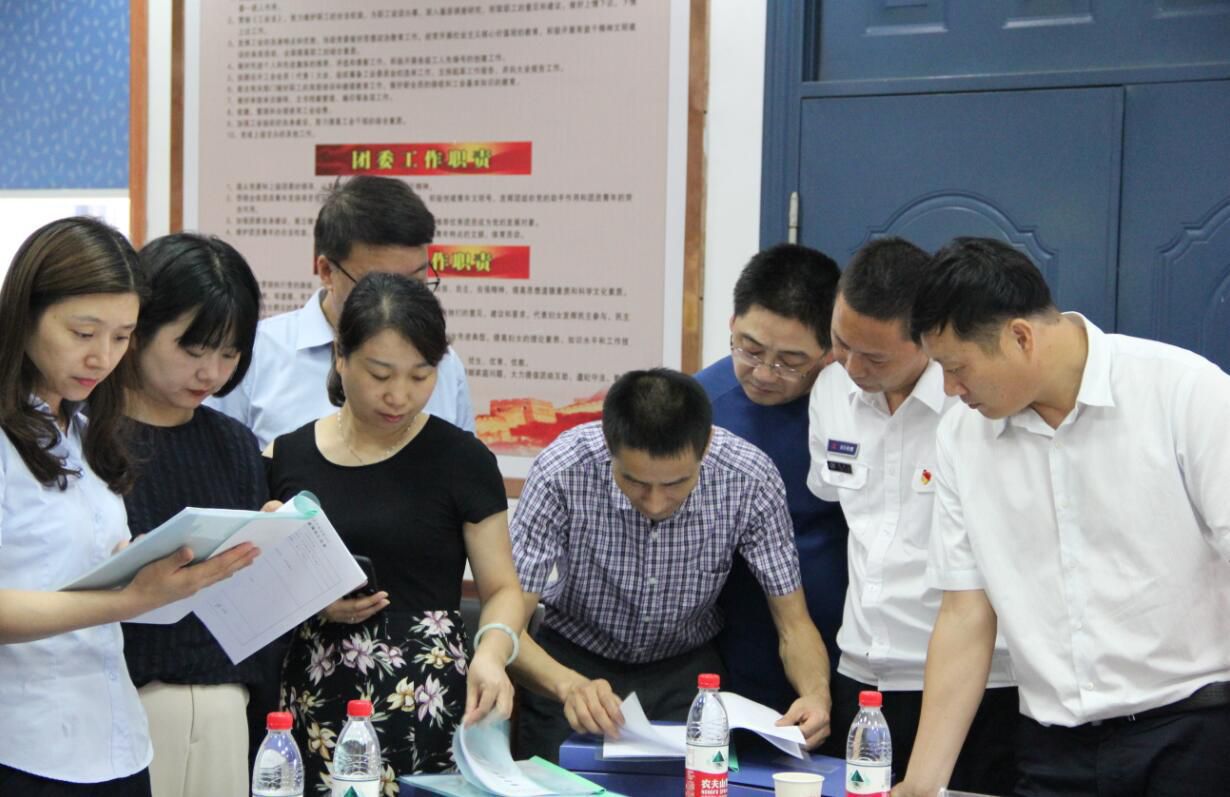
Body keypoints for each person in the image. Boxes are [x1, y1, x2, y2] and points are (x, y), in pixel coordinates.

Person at [894, 237, 1230, 797]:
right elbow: (965, 614)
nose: (950, 390)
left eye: (956, 368)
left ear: (1020, 337)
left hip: (1190, 732)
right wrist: (921, 784)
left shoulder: (1185, 393)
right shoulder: (960, 437)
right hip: (1053, 748)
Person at [0, 217, 258, 795]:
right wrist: (128, 597)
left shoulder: (84, 432)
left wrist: (153, 571)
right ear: (24, 313)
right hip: (24, 743)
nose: (102, 357)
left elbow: (71, 573)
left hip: (114, 740)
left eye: (121, 337)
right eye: (83, 332)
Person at [265, 272, 524, 790]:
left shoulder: (462, 460)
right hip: (319, 694)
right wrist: (309, 600)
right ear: (341, 356)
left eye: (421, 376)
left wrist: (493, 655)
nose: (399, 396)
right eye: (380, 374)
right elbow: (257, 592)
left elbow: (502, 590)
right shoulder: (286, 457)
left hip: (432, 697)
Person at [509, 368, 832, 762]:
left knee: (698, 783)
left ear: (705, 445)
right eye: (636, 482)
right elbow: (506, 627)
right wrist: (567, 685)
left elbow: (794, 625)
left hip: (686, 672)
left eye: (676, 483)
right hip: (572, 662)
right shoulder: (562, 471)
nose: (656, 502)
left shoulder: (748, 479)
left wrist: (815, 694)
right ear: (610, 445)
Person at [806, 238, 1017, 791]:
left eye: (874, 357)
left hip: (976, 689)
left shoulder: (977, 406)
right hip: (860, 676)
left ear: (926, 339)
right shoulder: (829, 392)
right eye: (841, 343)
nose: (852, 366)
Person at [119, 232, 270, 797]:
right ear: (138, 329)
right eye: (193, 349)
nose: (211, 373)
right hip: (121, 699)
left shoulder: (235, 444)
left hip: (226, 703)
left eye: (229, 354)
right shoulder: (86, 438)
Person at [694, 243, 849, 713]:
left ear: (829, 352)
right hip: (732, 645)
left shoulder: (858, 406)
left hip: (847, 645)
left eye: (790, 361)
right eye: (750, 348)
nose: (763, 373)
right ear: (732, 323)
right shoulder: (699, 408)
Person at [210, 175, 474, 447]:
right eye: (378, 284)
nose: (399, 301)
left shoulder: (443, 363)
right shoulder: (255, 355)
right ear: (327, 271)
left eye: (415, 282)